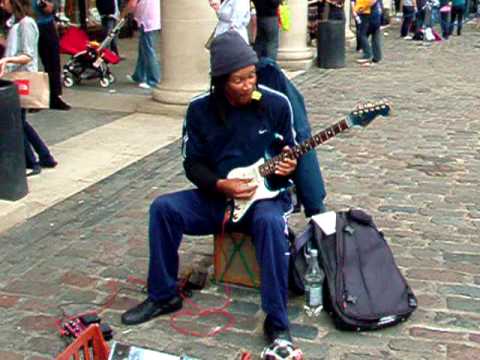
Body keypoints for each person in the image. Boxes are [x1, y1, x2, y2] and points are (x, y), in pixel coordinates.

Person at [121, 31, 299, 348]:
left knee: (271, 224)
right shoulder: (199, 110)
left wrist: (289, 165)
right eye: (239, 80)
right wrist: (220, 184)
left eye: (252, 76)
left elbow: (290, 149)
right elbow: (193, 164)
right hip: (218, 197)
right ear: (220, 81)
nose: (249, 85)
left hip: (265, 199)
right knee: (163, 209)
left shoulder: (276, 104)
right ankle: (163, 295)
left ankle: (276, 321)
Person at [0, 0, 57, 175]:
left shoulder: (26, 24)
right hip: (14, 77)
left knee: (16, 123)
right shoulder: (15, 24)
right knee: (20, 122)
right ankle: (44, 156)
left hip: (21, 77)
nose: (2, 5)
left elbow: (28, 55)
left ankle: (32, 162)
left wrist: (7, 60)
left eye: (4, 1)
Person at [31, 0, 70, 110]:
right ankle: (33, 98)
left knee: (53, 61)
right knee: (31, 62)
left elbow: (53, 6)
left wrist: (51, 6)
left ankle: (54, 96)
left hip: (46, 24)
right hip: (29, 23)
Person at [122, 0, 161, 89]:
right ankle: (139, 75)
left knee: (148, 51)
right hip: (151, 20)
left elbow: (132, 4)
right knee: (143, 49)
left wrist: (123, 14)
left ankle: (153, 80)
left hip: (147, 21)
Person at [355, 0, 383, 65]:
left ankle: (368, 54)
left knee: (362, 34)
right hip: (375, 13)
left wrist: (362, 9)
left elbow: (372, 1)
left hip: (368, 14)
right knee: (375, 35)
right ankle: (377, 56)